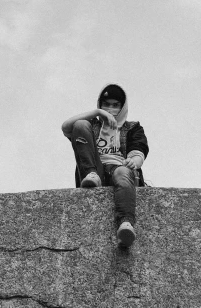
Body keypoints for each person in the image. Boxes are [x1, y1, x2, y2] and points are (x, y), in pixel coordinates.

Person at [61, 84, 149, 247]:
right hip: (95, 170)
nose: (110, 109)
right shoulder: (92, 125)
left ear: (122, 107)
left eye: (115, 105)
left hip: (120, 168)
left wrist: (133, 162)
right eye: (106, 104)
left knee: (122, 172)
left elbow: (138, 151)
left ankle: (126, 223)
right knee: (79, 125)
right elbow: (66, 127)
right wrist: (96, 113)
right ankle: (92, 175)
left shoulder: (133, 127)